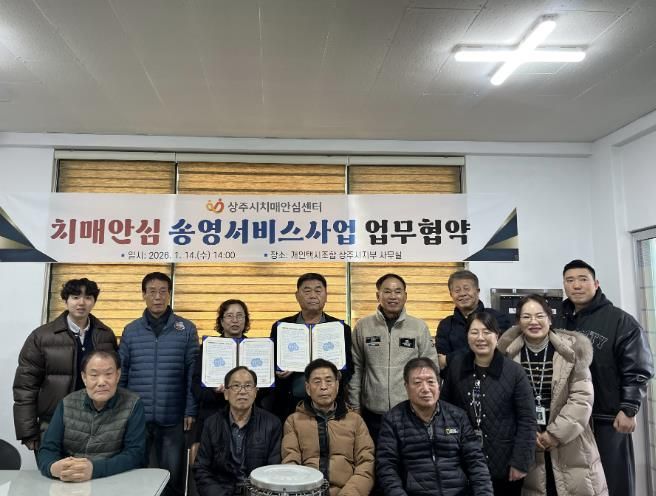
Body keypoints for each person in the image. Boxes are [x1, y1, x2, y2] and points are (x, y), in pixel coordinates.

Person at [557, 259, 653, 496]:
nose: (576, 285)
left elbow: (638, 368)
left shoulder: (620, 321)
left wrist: (629, 408)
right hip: (568, 418)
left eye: (583, 279)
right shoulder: (557, 321)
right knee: (577, 483)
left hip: (607, 418)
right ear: (564, 285)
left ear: (596, 283)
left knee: (613, 481)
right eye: (570, 280)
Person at [498, 294, 608, 496]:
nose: (533, 322)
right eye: (526, 317)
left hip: (571, 440)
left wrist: (555, 434)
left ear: (549, 319)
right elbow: (503, 401)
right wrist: (527, 433)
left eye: (539, 316)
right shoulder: (507, 354)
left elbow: (582, 398)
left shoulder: (572, 350)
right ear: (518, 322)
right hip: (528, 442)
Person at [13, 278, 117, 453]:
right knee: (53, 470)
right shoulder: (41, 337)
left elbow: (114, 379)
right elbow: (25, 386)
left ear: (94, 301)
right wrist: (28, 432)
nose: (81, 303)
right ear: (65, 300)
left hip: (97, 423)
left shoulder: (105, 335)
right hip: (53, 421)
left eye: (88, 297)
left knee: (91, 471)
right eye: (75, 297)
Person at [119, 272, 199, 496]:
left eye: (163, 291)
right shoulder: (131, 330)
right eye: (152, 291)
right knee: (136, 476)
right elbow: (122, 373)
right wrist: (120, 410)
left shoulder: (186, 329)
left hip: (173, 416)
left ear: (169, 294)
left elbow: (192, 374)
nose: (158, 297)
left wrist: (190, 409)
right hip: (137, 417)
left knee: (172, 477)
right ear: (143, 295)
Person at [440, 312, 536, 495]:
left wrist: (520, 462)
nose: (480, 338)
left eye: (486, 332)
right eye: (474, 332)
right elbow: (444, 411)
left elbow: (528, 420)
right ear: (467, 336)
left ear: (497, 336)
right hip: (464, 462)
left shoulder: (514, 372)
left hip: (504, 464)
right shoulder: (456, 367)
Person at [376, 357, 493, 496]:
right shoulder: (392, 420)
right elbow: (386, 468)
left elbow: (476, 461)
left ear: (439, 384)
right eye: (417, 383)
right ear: (406, 386)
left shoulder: (458, 416)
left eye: (431, 382)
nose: (425, 389)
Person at [348, 273, 438, 443]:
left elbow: (431, 368)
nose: (393, 296)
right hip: (372, 413)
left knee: (410, 456)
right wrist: (355, 405)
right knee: (374, 455)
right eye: (387, 291)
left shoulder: (418, 327)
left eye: (398, 291)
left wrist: (427, 404)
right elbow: (356, 367)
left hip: (411, 411)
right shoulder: (363, 326)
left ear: (405, 296)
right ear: (378, 296)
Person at [37, 350, 145, 481]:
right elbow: (48, 448)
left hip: (113, 480)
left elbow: (135, 454)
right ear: (84, 378)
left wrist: (95, 469)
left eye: (108, 374)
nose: (101, 382)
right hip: (69, 482)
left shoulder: (133, 404)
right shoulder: (67, 403)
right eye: (94, 375)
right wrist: (53, 468)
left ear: (118, 375)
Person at [282, 359, 374, 496]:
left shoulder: (355, 421)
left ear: (337, 385)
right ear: (307, 388)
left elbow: (366, 464)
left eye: (329, 381)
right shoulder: (294, 421)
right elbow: (290, 465)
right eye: (317, 382)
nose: (323, 387)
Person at [270, 273, 353, 420]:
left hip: (329, 406)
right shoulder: (281, 327)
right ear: (297, 296)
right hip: (289, 405)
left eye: (318, 291)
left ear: (326, 295)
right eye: (307, 291)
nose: (313, 295)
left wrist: (339, 374)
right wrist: (278, 372)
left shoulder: (340, 329)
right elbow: (270, 364)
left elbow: (350, 367)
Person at [193, 366, 282, 496]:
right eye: (236, 386)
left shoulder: (272, 424)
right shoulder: (211, 424)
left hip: (257, 492)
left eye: (248, 386)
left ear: (255, 392)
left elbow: (274, 471)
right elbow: (201, 469)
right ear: (226, 393)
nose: (242, 391)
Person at [191, 299, 252, 449]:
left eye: (240, 316)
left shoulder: (256, 348)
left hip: (249, 419)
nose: (235, 320)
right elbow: (196, 387)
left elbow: (267, 389)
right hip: (213, 415)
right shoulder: (208, 348)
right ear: (221, 321)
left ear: (245, 320)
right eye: (229, 316)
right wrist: (214, 392)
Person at [436, 270, 511, 371]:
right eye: (457, 290)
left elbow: (497, 352)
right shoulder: (445, 325)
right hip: (456, 379)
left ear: (477, 291)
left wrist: (449, 359)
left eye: (467, 289)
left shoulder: (498, 318)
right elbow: (441, 362)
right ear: (451, 294)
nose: (462, 294)